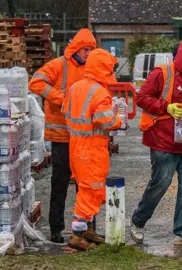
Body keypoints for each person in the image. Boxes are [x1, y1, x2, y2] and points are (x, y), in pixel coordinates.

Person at [130, 40, 182, 246]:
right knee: (160, 184)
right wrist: (166, 108)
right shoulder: (162, 73)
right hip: (164, 142)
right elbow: (142, 98)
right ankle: (138, 221)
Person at [29, 29, 97, 243]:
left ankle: (86, 229)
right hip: (62, 137)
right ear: (77, 48)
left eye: (92, 50)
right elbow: (35, 83)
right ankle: (56, 229)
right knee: (59, 183)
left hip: (84, 137)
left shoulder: (92, 68)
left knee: (86, 185)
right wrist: (61, 97)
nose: (89, 54)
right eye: (87, 50)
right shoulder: (59, 65)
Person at [61, 48, 122, 251]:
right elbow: (105, 120)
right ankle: (77, 235)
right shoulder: (100, 92)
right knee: (91, 192)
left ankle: (85, 229)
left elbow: (65, 111)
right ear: (104, 69)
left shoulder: (75, 86)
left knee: (85, 190)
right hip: (92, 148)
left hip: (76, 145)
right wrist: (119, 119)